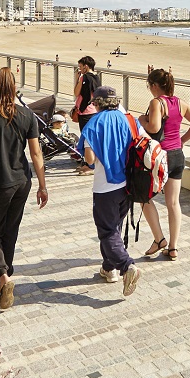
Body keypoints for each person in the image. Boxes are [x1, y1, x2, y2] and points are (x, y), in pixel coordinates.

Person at [0, 67, 48, 309]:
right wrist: (43, 186)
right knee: (10, 231)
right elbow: (35, 153)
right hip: (22, 182)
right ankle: (4, 282)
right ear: (14, 87)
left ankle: (3, 277)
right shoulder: (27, 115)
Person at [77, 86, 143, 296]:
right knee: (114, 228)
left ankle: (127, 265)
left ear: (97, 103)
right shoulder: (128, 119)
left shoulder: (94, 123)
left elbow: (89, 159)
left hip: (105, 187)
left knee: (107, 231)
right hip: (127, 184)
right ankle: (109, 269)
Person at [138, 69, 190, 261]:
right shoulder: (179, 103)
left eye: (149, 86)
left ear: (155, 86)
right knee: (173, 203)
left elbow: (154, 128)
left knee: (144, 196)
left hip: (160, 157)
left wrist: (142, 120)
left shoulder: (157, 103)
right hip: (177, 156)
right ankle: (173, 247)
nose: (149, 89)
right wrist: (181, 141)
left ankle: (159, 239)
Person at [70, 56, 101, 175]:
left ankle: (90, 165)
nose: (80, 70)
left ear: (86, 66)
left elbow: (76, 93)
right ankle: (89, 163)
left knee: (87, 139)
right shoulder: (96, 78)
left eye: (80, 67)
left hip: (86, 111)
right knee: (91, 138)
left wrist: (78, 79)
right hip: (94, 110)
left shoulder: (84, 77)